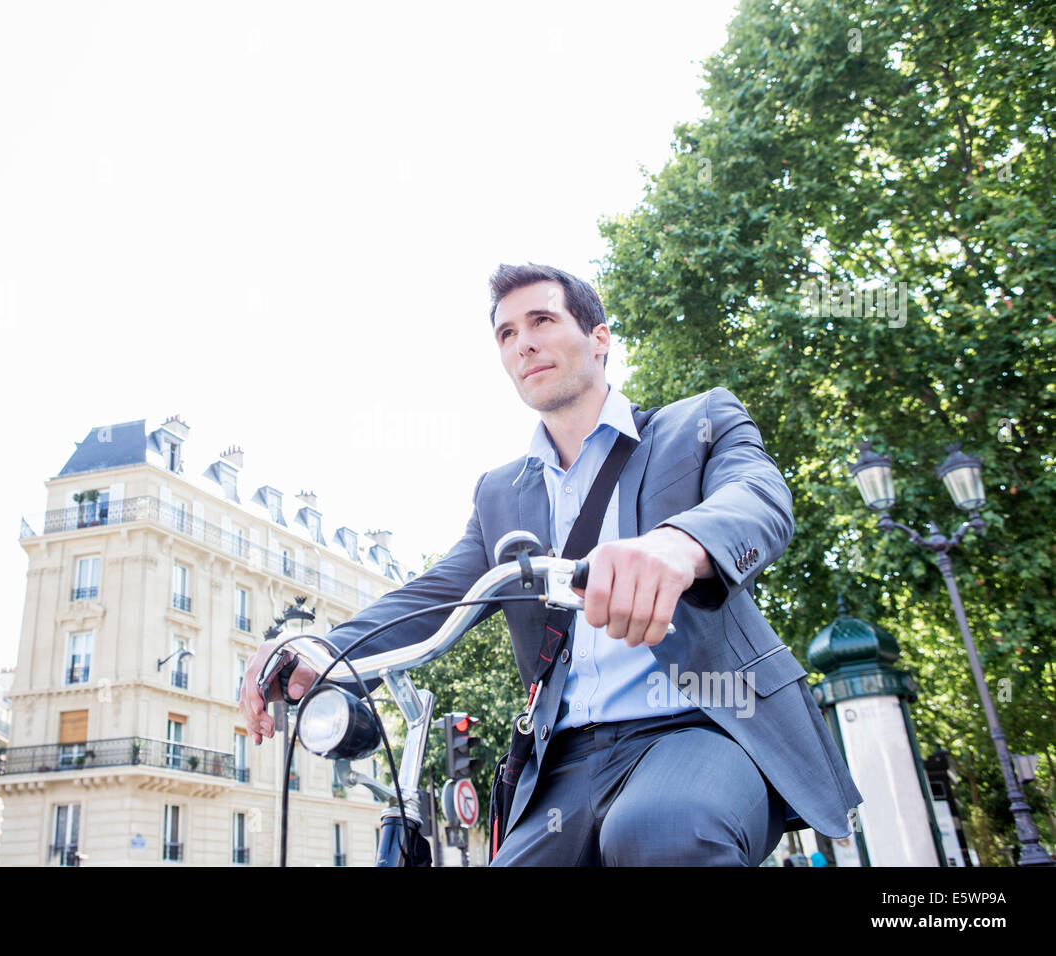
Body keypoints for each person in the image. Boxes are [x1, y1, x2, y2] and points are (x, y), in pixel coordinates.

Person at [239, 262, 862, 866]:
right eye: (506, 334)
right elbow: (434, 597)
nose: (523, 344)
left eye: (541, 321)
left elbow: (757, 497)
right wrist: (327, 649)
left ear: (599, 339)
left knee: (660, 833)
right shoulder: (499, 492)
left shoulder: (695, 424)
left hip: (698, 727)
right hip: (562, 762)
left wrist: (678, 544)